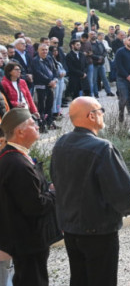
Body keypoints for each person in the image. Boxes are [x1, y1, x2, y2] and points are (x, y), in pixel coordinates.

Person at [51, 97, 130, 286]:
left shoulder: (61, 144)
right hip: (98, 231)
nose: (103, 114)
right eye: (101, 110)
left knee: (79, 278)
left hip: (71, 229)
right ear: (91, 116)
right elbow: (120, 190)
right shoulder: (102, 148)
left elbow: (56, 181)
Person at [0, 109, 61, 286]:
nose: (37, 126)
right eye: (32, 123)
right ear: (20, 132)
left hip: (24, 239)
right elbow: (35, 206)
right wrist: (56, 192)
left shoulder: (14, 157)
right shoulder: (17, 163)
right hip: (27, 240)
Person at [31, 44, 58, 132]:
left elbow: (54, 70)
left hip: (51, 86)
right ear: (38, 50)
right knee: (41, 107)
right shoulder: (35, 60)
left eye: (46, 50)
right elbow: (38, 73)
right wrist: (49, 81)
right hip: (41, 86)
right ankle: (42, 126)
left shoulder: (50, 58)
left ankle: (50, 123)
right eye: (42, 50)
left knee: (49, 105)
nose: (45, 51)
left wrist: (54, 80)